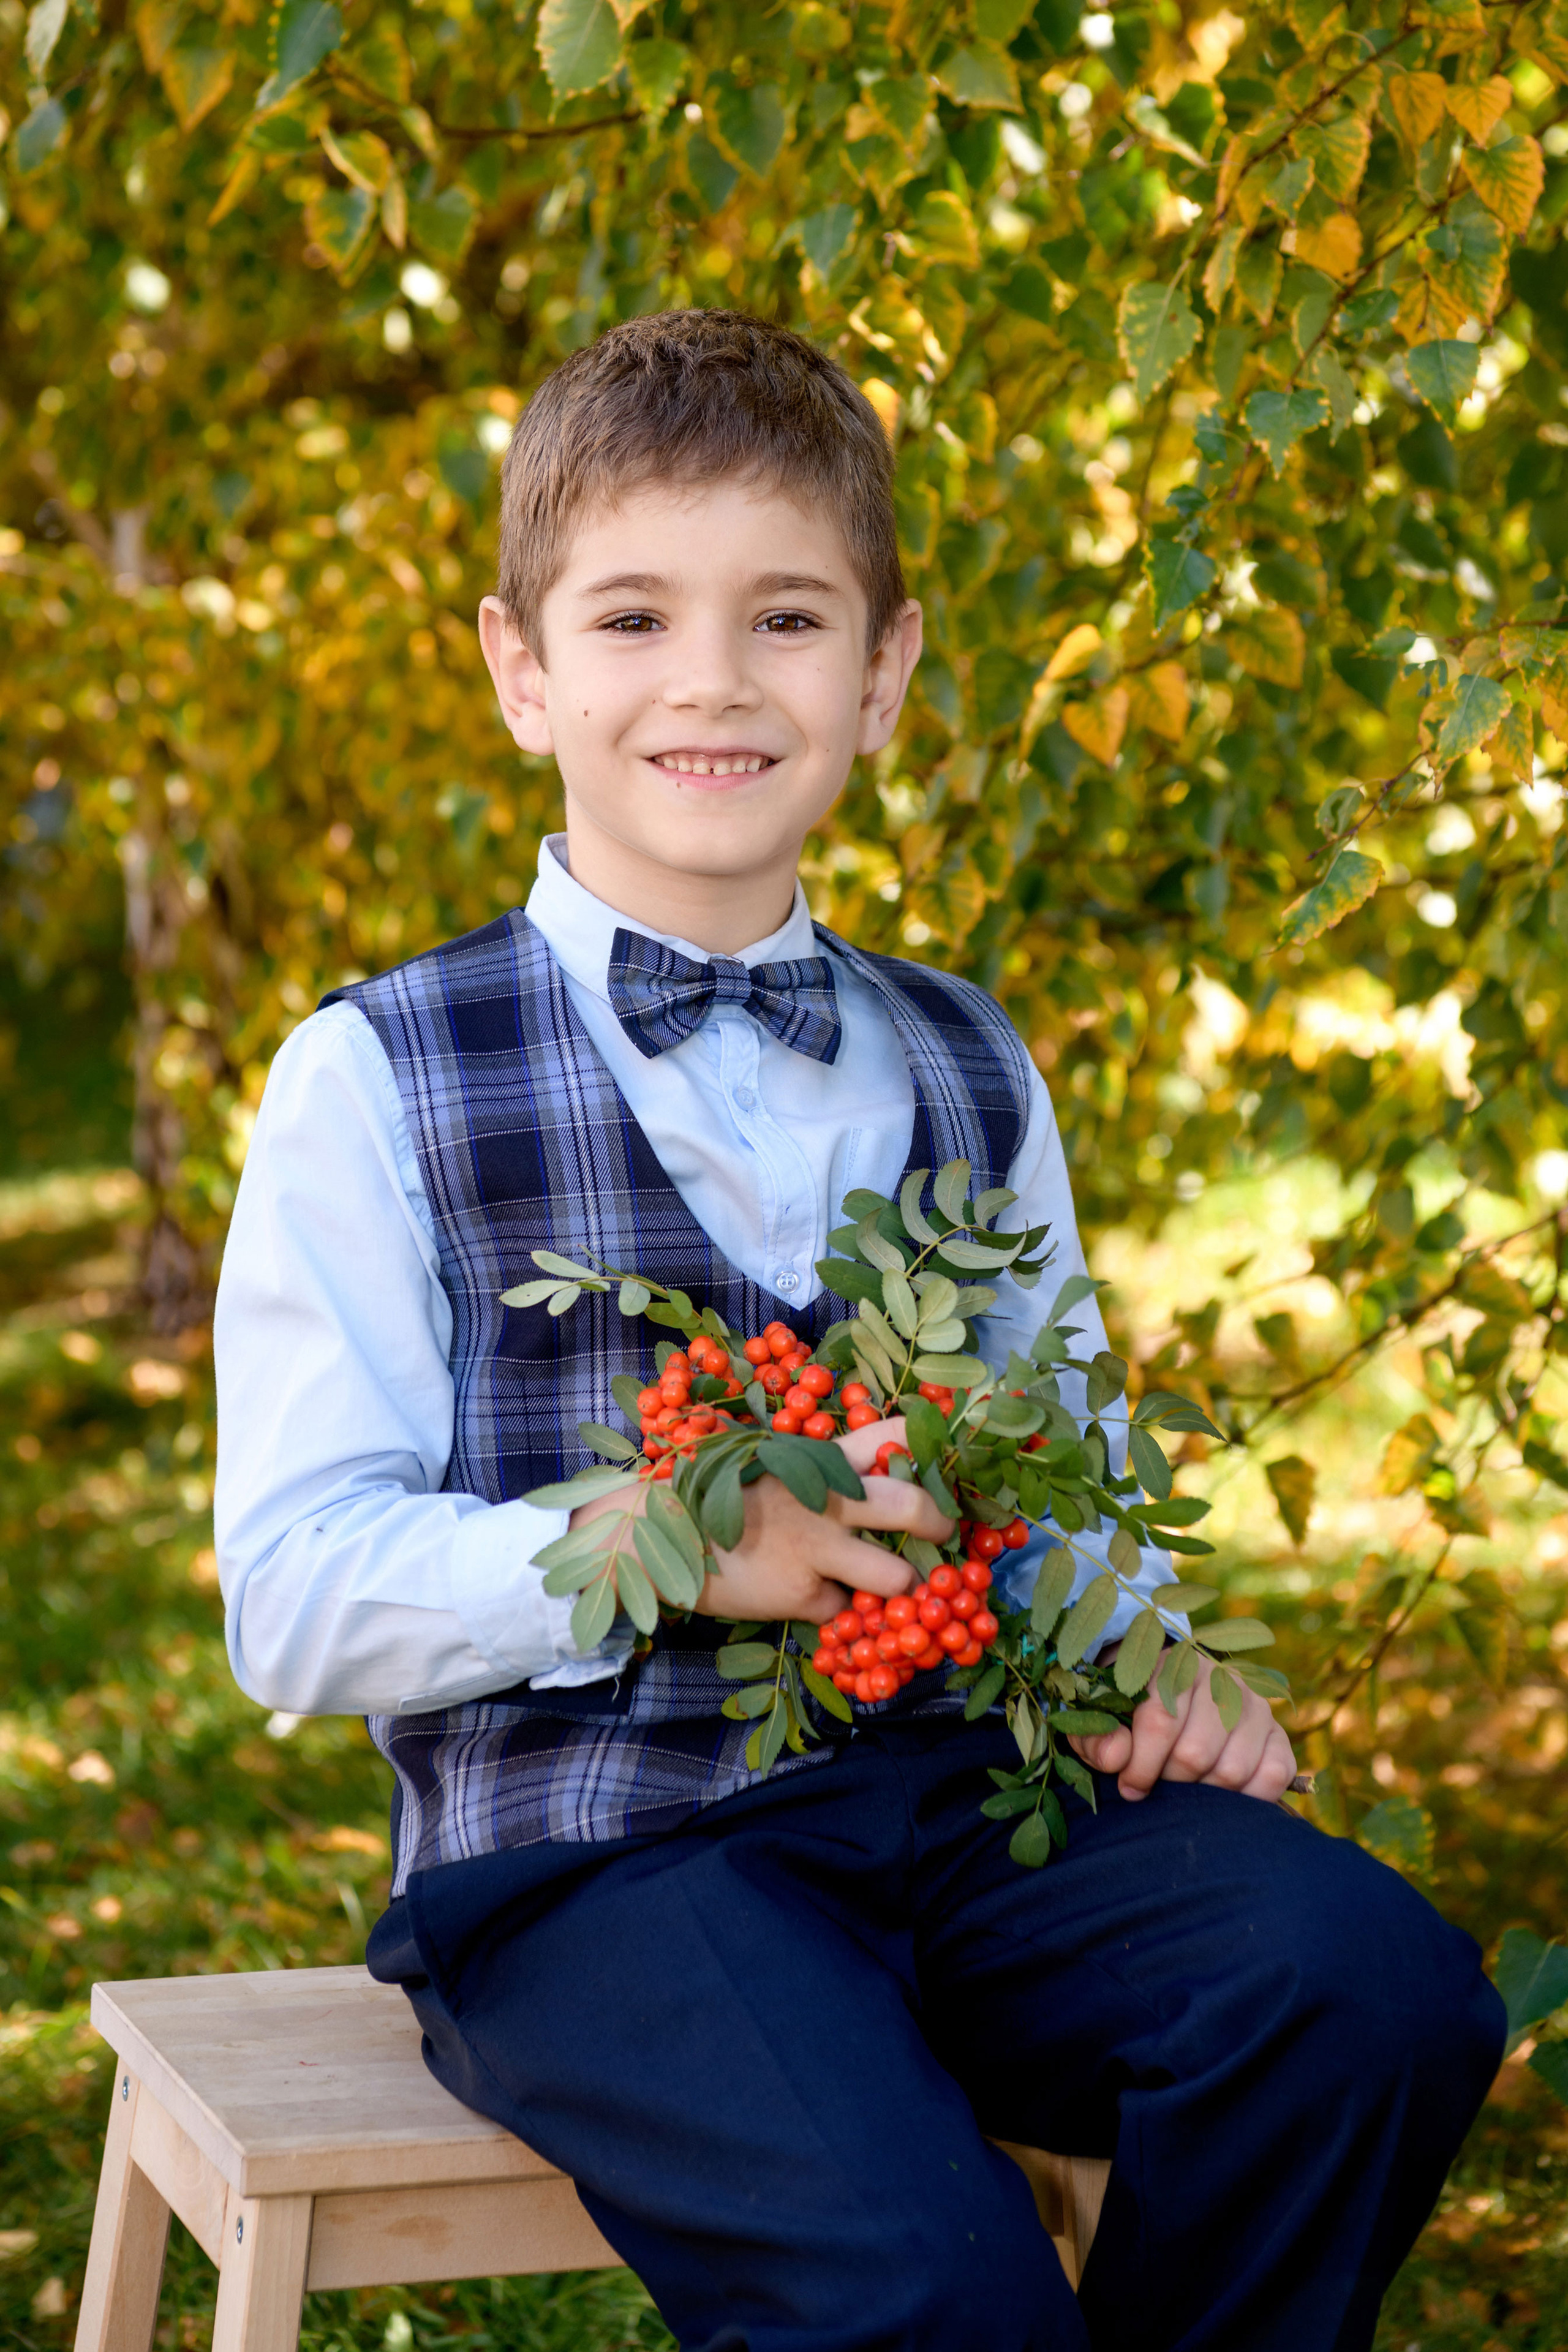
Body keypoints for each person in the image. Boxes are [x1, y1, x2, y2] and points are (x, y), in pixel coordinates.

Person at [214, 309, 1504, 2352]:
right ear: (521, 670)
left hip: (965, 1807)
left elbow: (1058, 1470)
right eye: (633, 617)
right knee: (929, 2293)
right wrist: (663, 1549)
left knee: (1369, 1992)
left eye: (790, 619)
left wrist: (1154, 1659)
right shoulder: (376, 1076)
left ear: (886, 672)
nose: (714, 680)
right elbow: (292, 1594)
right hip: (599, 1867)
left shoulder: (969, 1060)